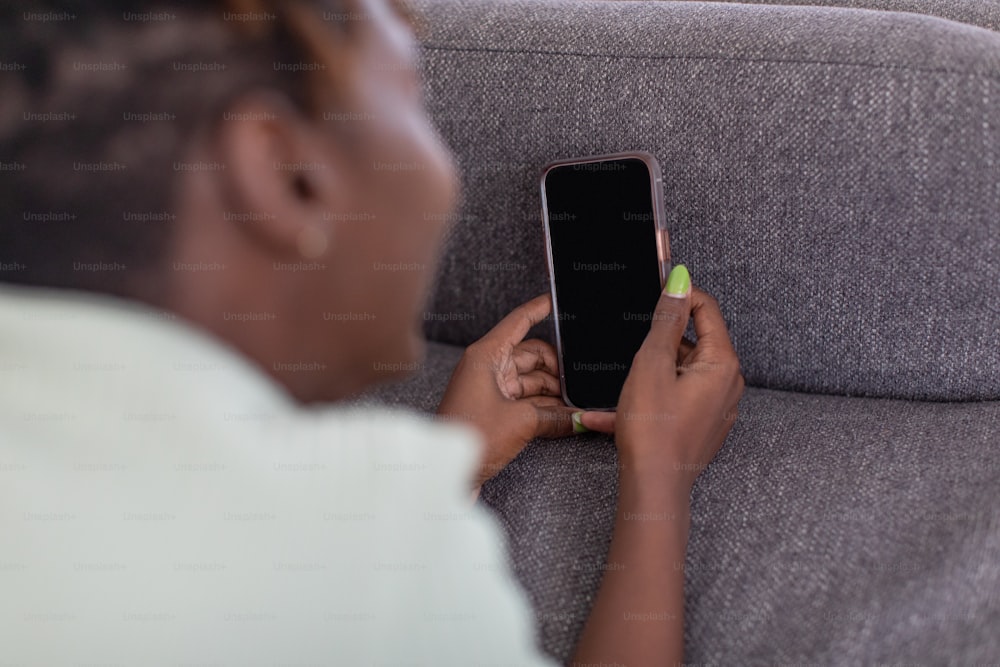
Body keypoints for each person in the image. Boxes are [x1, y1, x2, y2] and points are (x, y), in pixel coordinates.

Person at [0, 0, 745, 664]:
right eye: (414, 95)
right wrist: (660, 481)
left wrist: (452, 461)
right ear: (285, 172)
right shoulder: (366, 536)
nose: (450, 169)